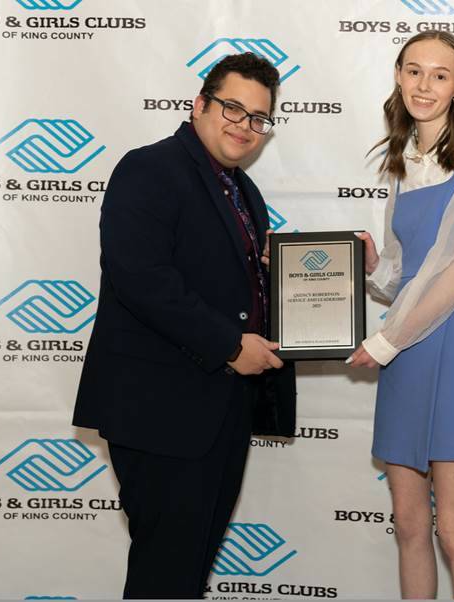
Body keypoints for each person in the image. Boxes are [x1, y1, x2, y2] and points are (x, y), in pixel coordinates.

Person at [73, 53, 296, 599]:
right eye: (232, 108)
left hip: (221, 410)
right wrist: (226, 345)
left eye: (258, 118)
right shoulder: (149, 168)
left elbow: (226, 283)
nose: (244, 126)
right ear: (200, 105)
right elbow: (140, 277)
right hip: (161, 413)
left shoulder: (244, 192)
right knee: (165, 576)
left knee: (188, 573)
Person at [348, 30, 454, 599]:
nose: (425, 84)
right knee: (409, 522)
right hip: (407, 341)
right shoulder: (399, 161)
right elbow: (401, 274)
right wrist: (373, 266)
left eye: (440, 75)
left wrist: (386, 342)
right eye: (414, 71)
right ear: (399, 77)